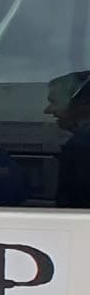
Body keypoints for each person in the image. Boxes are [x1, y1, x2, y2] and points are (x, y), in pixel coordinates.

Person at [45, 71, 90, 208]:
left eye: (54, 102)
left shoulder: (80, 147)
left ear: (82, 105)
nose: (47, 110)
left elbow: (74, 205)